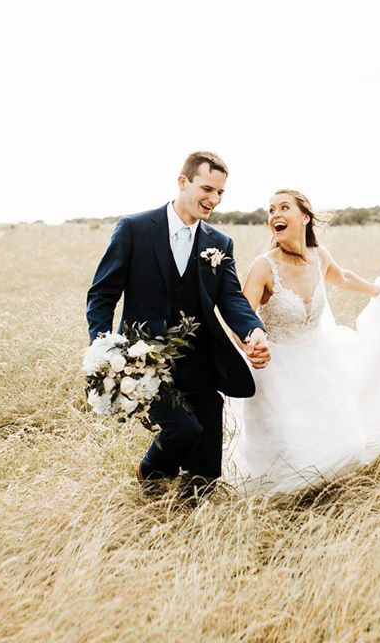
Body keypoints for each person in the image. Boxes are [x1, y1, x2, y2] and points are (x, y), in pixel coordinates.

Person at [223, 189, 380, 495]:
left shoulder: (318, 256)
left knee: (347, 442)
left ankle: (325, 498)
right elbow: (242, 315)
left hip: (318, 364)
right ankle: (285, 508)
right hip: (276, 370)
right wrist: (251, 343)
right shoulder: (264, 265)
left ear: (305, 216)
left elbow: (344, 277)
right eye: (271, 210)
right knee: (289, 447)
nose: (274, 215)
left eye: (284, 207)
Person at [86, 152, 270, 496]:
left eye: (220, 193)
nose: (213, 199)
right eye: (207, 189)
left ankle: (193, 509)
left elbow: (231, 298)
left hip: (199, 360)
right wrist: (103, 349)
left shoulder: (219, 243)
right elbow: (102, 294)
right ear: (183, 182)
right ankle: (150, 474)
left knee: (208, 458)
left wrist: (253, 331)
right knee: (183, 431)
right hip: (145, 360)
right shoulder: (135, 229)